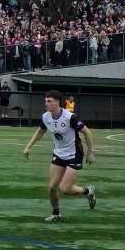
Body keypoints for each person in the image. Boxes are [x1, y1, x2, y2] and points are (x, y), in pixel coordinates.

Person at [21, 90, 97, 223]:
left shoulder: (70, 117)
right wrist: (28, 146)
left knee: (65, 189)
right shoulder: (46, 117)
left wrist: (90, 153)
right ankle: (56, 214)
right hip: (58, 154)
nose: (46, 103)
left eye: (49, 101)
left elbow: (87, 132)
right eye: (45, 101)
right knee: (52, 187)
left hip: (74, 154)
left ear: (57, 102)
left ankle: (87, 191)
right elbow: (40, 131)